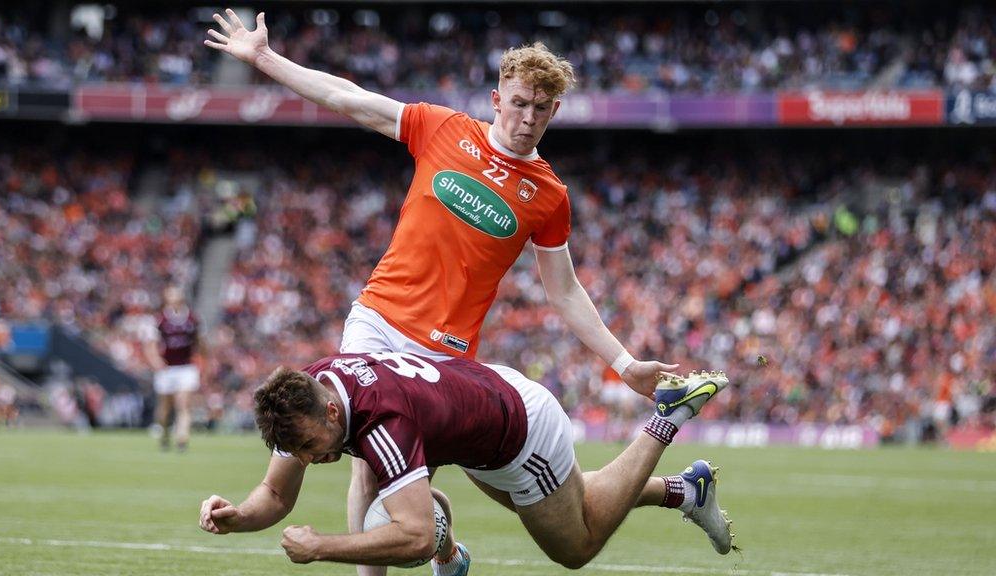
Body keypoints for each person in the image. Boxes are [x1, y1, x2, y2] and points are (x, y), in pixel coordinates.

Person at [206, 10, 680, 575]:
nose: (526, 118)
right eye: (518, 103)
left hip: (446, 352)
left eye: (540, 109)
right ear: (496, 99)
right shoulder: (443, 128)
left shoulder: (549, 195)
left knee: (530, 494)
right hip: (378, 320)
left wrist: (624, 364)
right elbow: (350, 98)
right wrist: (264, 60)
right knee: (369, 461)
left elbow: (566, 292)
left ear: (555, 111)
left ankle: (672, 492)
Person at [198, 352, 735, 570]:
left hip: (520, 436)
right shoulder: (307, 393)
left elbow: (412, 539)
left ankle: (666, 419)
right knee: (576, 500)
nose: (315, 461)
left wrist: (320, 547)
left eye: (314, 449)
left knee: (576, 544)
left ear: (333, 410)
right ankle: (688, 491)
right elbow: (274, 494)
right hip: (480, 410)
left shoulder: (383, 424)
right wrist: (239, 517)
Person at [144, 286, 202, 451]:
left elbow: (199, 342)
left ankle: (182, 439)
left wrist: (202, 360)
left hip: (186, 367)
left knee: (183, 404)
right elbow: (151, 345)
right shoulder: (160, 319)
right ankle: (164, 435)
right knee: (165, 407)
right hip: (167, 368)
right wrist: (156, 361)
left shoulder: (192, 319)